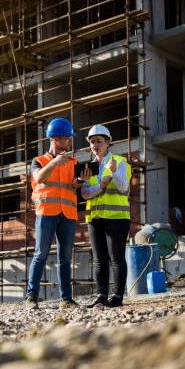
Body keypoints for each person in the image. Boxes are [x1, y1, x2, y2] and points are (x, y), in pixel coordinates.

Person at [25, 117, 83, 310]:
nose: (69, 141)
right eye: (67, 137)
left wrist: (79, 182)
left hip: (67, 214)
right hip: (46, 213)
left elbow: (72, 186)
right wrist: (55, 163)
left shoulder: (72, 161)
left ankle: (66, 299)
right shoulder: (38, 161)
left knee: (65, 257)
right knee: (40, 254)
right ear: (55, 138)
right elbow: (39, 177)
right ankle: (31, 297)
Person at [80, 124, 131, 308]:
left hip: (117, 217)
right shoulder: (88, 166)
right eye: (92, 142)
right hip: (95, 218)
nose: (95, 145)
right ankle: (101, 296)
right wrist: (100, 186)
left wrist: (115, 171)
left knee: (116, 258)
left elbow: (124, 187)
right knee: (99, 259)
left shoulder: (119, 161)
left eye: (99, 141)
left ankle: (117, 297)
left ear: (108, 142)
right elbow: (85, 193)